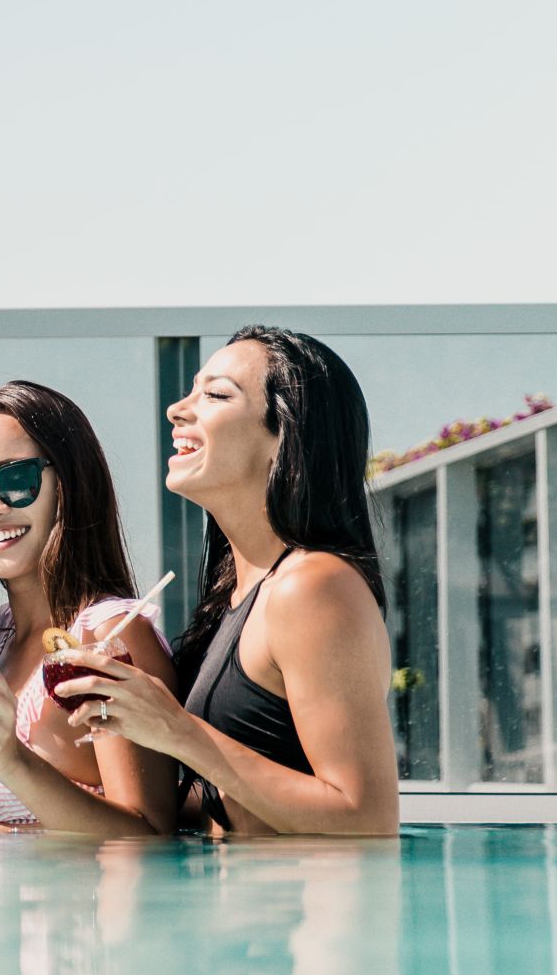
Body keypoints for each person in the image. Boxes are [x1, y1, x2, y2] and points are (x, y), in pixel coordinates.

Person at [53, 327, 400, 837]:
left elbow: (367, 817)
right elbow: (236, 800)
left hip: (293, 890)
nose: (177, 409)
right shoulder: (239, 595)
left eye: (215, 395)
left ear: (283, 436)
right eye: (191, 391)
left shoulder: (312, 587)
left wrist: (176, 730)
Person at [0, 382, 178, 835]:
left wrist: (13, 760)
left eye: (16, 480)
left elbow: (151, 837)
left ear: (70, 483)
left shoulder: (107, 636)